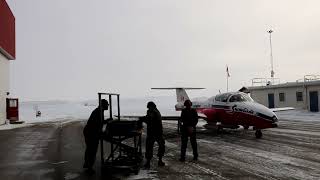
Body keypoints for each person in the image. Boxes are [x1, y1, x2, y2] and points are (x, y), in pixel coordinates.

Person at [83, 99, 109, 174]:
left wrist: (105, 121)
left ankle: (87, 165)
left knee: (90, 149)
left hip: (91, 132)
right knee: (92, 150)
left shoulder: (99, 111)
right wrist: (101, 132)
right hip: (90, 133)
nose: (107, 106)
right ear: (103, 105)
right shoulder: (98, 112)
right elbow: (95, 124)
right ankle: (89, 167)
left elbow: (99, 122)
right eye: (107, 105)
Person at [139, 101, 165, 168]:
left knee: (150, 147)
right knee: (160, 146)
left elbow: (149, 119)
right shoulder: (155, 111)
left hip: (155, 133)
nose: (148, 109)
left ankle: (149, 163)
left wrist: (142, 119)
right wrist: (143, 118)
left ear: (152, 106)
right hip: (157, 133)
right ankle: (159, 161)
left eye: (149, 107)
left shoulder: (153, 112)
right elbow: (148, 118)